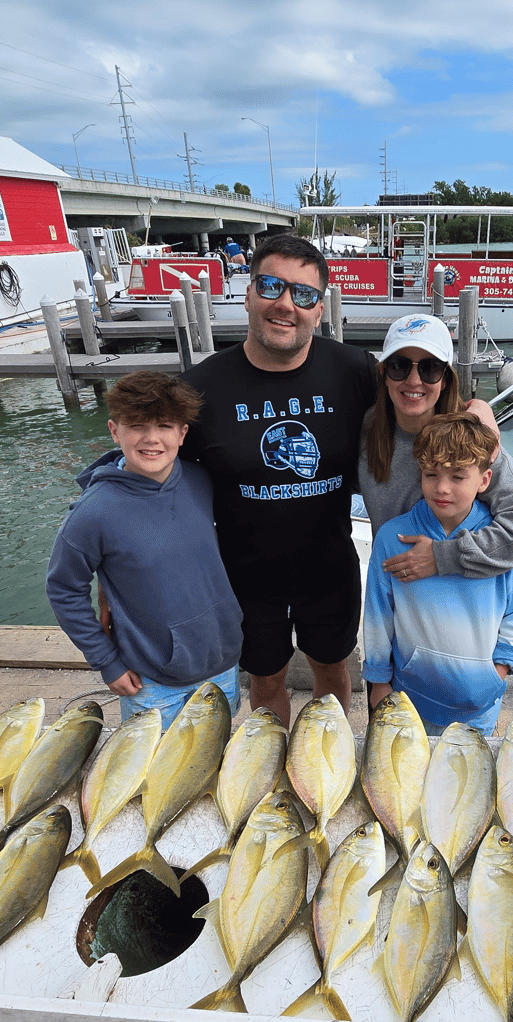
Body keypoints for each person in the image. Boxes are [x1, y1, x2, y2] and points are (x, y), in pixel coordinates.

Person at [182, 233, 378, 727]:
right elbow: (150, 475)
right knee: (265, 681)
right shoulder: (201, 386)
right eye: (271, 286)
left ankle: (325, 759)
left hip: (329, 568)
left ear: (319, 307)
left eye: (304, 294)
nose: (285, 304)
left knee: (333, 672)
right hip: (246, 578)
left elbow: (424, 406)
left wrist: (478, 409)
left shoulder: (354, 371)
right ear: (248, 293)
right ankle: (272, 760)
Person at [45, 370, 243, 730]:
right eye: (137, 425)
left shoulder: (202, 480)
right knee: (153, 774)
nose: (151, 439)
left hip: (223, 663)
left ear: (183, 434)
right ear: (114, 430)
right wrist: (106, 661)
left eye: (165, 426)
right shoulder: (92, 512)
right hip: (150, 680)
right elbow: (63, 588)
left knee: (215, 759)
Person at [362, 411, 513, 735]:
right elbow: (377, 614)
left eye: (458, 477)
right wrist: (378, 680)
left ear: (484, 480)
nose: (442, 488)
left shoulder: (501, 543)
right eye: (431, 474)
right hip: (408, 702)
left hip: (479, 708)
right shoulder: (391, 538)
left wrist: (496, 672)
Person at [358, 312, 513, 588]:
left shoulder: (472, 438)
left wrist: (442, 557)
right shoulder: (366, 431)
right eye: (399, 366)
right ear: (384, 374)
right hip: (394, 591)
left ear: (445, 378)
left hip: (460, 595)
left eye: (429, 368)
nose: (413, 380)